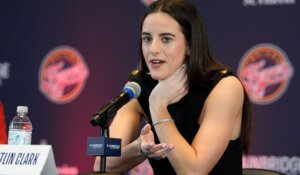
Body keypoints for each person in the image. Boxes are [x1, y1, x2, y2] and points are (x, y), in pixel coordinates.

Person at [94, 0, 252, 174]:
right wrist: (140, 148)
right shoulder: (139, 87)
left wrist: (158, 105)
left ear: (190, 45)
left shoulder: (224, 87)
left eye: (166, 39)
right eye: (147, 38)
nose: (153, 49)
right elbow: (102, 165)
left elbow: (192, 171)